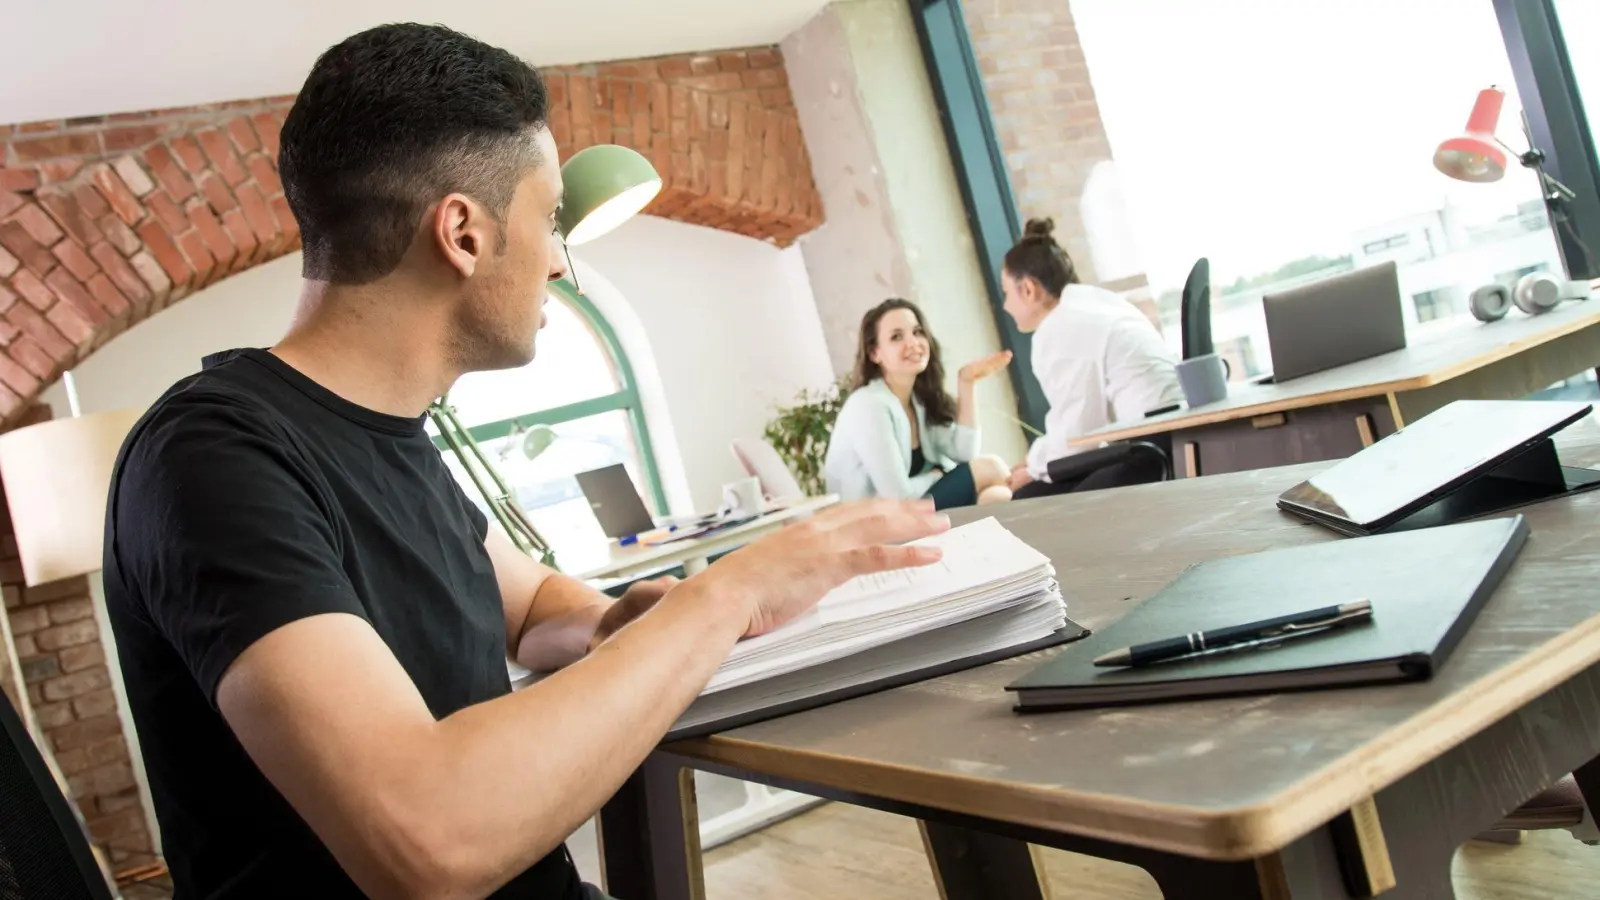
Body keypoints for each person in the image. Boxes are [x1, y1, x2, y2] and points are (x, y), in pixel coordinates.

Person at [101, 24, 949, 900]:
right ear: (463, 233)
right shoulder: (212, 461)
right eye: (549, 220)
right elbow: (431, 840)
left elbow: (532, 606)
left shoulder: (392, 437)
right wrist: (724, 592)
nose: (561, 261)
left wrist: (615, 621)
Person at [999, 218, 1182, 500]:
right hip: (1170, 435)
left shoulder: (1058, 328)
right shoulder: (1095, 302)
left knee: (1027, 501)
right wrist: (1036, 461)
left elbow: (1078, 438)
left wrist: (1033, 468)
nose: (1005, 305)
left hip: (1150, 451)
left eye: (1006, 293)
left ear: (1028, 289)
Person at [824, 298, 1014, 509]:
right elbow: (897, 497)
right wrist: (937, 476)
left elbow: (964, 453)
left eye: (917, 332)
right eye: (896, 337)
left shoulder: (917, 400)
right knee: (991, 467)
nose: (913, 343)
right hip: (876, 523)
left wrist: (966, 382)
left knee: (998, 496)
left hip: (912, 512)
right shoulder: (868, 406)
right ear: (874, 353)